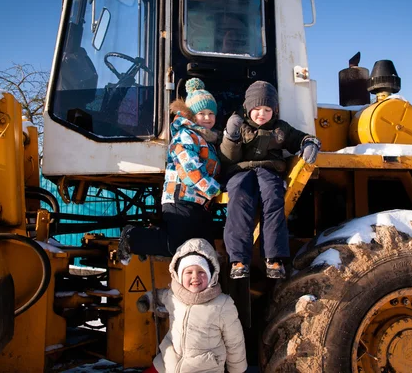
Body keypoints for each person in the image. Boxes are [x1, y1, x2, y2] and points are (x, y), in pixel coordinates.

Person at [220, 80, 321, 279]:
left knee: (274, 199)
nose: (262, 114)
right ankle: (238, 259)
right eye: (257, 108)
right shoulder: (239, 125)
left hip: (269, 171)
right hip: (241, 171)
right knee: (240, 199)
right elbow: (228, 158)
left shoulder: (280, 129)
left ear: (274, 110)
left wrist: (309, 143)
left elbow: (299, 138)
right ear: (248, 108)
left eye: (267, 109)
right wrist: (230, 137)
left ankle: (274, 258)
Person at [118, 78, 221, 263]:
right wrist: (213, 188)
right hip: (181, 198)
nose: (207, 117)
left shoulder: (206, 139)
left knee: (205, 247)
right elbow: (189, 170)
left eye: (211, 113)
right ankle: (133, 238)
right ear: (191, 115)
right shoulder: (186, 135)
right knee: (177, 244)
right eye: (202, 113)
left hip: (199, 203)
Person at [137, 238, 247, 373]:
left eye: (202, 272)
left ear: (211, 275)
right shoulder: (174, 296)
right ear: (179, 275)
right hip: (169, 363)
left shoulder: (222, 304)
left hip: (204, 369)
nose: (195, 277)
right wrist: (147, 300)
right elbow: (160, 296)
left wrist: (237, 370)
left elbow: (235, 343)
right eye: (189, 272)